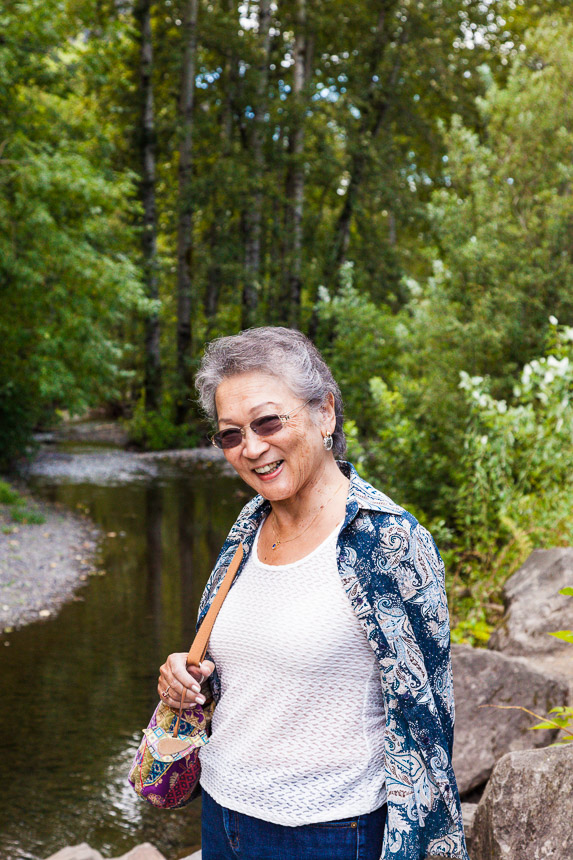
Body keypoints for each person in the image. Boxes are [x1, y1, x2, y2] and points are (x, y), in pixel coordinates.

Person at [158, 327, 469, 860]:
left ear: (325, 413)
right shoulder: (247, 526)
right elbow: (249, 666)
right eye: (231, 434)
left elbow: (427, 721)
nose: (251, 448)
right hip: (223, 812)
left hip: (330, 831)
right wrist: (185, 678)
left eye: (268, 422)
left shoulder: (389, 541)